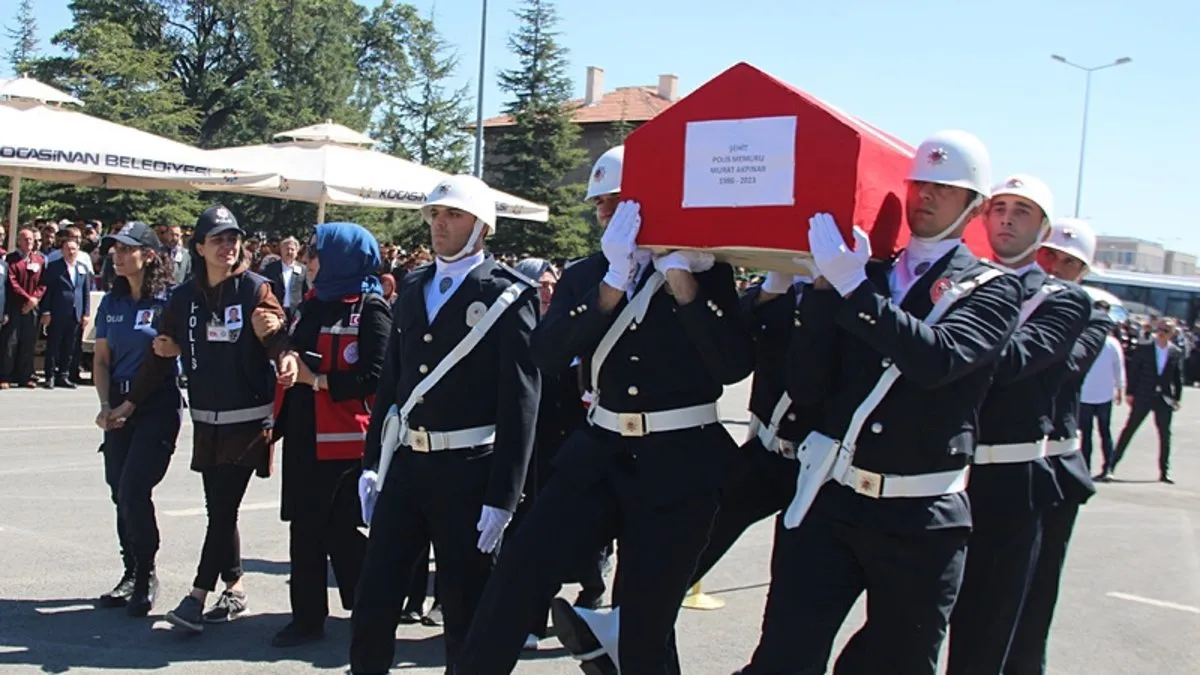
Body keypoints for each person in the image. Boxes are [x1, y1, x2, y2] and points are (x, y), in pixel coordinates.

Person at [455, 152, 755, 673]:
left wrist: (682, 280)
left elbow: (732, 365)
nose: (604, 214)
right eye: (599, 205)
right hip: (599, 450)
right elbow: (546, 356)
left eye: (616, 202)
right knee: (517, 576)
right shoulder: (590, 274)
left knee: (644, 625)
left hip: (678, 459)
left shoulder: (705, 271)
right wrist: (612, 285)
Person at [738, 130, 1023, 675]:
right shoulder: (866, 274)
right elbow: (808, 383)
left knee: (898, 663)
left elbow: (936, 359)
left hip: (920, 518)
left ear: (975, 207)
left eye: (944, 188)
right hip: (833, 497)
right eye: (920, 184)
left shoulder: (992, 289)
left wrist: (853, 292)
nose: (926, 197)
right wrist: (821, 292)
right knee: (783, 658)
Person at [351, 174, 541, 674]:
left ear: (481, 226)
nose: (439, 224)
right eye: (435, 214)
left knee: (465, 608)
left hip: (469, 469)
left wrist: (504, 497)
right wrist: (373, 463)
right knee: (374, 597)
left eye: (452, 215)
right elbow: (391, 386)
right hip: (408, 466)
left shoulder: (508, 296)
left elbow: (520, 404)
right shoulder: (413, 286)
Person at [110, 204, 286, 633]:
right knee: (219, 508)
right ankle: (236, 585)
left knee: (223, 508)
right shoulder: (183, 298)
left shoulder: (257, 290)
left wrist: (281, 349)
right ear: (200, 247)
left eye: (233, 238)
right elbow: (158, 355)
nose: (228, 246)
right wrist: (130, 403)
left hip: (249, 421)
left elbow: (280, 335)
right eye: (218, 239)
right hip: (208, 422)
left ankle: (196, 597)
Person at [945, 175, 1091, 675]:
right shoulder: (953, 279)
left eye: (1022, 211)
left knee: (986, 638)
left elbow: (1008, 362)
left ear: (1044, 229)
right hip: (938, 475)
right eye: (1000, 207)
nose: (1007, 218)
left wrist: (934, 346)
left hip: (1007, 483)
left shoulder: (1059, 299)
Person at [253, 223, 390, 648]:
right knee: (305, 530)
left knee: (341, 532)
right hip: (303, 433)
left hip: (346, 441)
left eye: (316, 253)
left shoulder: (371, 307)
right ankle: (308, 618)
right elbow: (296, 348)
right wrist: (285, 353)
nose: (309, 261)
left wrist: (318, 381)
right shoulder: (312, 303)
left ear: (343, 256)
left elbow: (378, 376)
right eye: (310, 253)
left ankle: (376, 600)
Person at [1003, 216, 1113, 675]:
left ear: (1083, 273)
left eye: (1070, 262)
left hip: (1052, 471)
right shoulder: (1009, 293)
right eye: (1050, 254)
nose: (1056, 267)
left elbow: (1064, 365)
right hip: (996, 463)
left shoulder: (1092, 313)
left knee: (1033, 595)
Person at [91, 221, 183, 617]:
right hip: (118, 404)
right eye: (115, 250)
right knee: (117, 490)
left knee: (133, 488)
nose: (119, 256)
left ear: (149, 255)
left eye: (128, 249)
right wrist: (105, 405)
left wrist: (130, 404)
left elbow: (166, 360)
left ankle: (146, 572)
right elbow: (101, 359)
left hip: (156, 405)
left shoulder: (168, 300)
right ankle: (130, 569)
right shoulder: (111, 303)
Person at [1110, 317, 1185, 484]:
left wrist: (1177, 398)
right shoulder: (1144, 348)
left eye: (1166, 330)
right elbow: (1134, 371)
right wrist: (1130, 392)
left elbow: (1177, 377)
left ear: (1172, 334)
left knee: (1165, 435)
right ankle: (1111, 465)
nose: (1161, 333)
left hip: (1163, 398)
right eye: (1160, 329)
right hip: (1144, 395)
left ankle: (1164, 471)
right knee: (1129, 429)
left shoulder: (1175, 352)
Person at [39, 232, 94, 389]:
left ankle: (64, 374)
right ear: (62, 250)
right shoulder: (54, 267)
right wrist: (46, 311)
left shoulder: (82, 269)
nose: (71, 252)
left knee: (70, 346)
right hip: (57, 312)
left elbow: (85, 293)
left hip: (75, 313)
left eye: (74, 249)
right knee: (54, 345)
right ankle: (49, 376)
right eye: (68, 249)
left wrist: (86, 313)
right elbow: (48, 291)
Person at [1080, 321, 1127, 480]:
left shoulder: (1112, 343)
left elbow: (1119, 366)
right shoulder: (1086, 339)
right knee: (1086, 434)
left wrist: (1120, 388)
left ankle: (1107, 467)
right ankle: (1085, 467)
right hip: (1085, 394)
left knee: (1104, 432)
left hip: (1104, 395)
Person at [1, 228, 47, 389]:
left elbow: (43, 283)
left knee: (28, 342)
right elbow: (11, 282)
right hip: (15, 307)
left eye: (31, 240)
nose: (28, 242)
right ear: (19, 241)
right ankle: (5, 376)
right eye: (25, 239)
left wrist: (35, 299)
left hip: (33, 308)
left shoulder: (39, 260)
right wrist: (27, 299)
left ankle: (25, 376)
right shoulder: (11, 260)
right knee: (10, 343)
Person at [262, 236, 307, 319]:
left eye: (292, 249)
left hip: (296, 312)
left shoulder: (303, 269)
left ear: (297, 251)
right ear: (281, 250)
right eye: (287, 249)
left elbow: (306, 291)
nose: (289, 252)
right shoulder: (270, 269)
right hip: (275, 311)